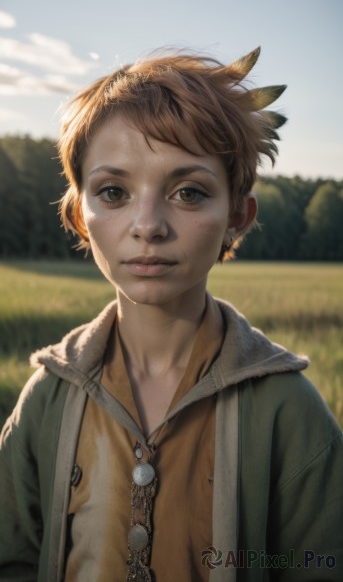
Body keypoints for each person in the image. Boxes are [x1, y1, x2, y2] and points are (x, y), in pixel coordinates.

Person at [0, 47, 342, 582]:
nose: (148, 224)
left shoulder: (289, 412)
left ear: (237, 215)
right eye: (113, 192)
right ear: (79, 216)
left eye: (188, 192)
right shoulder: (47, 399)